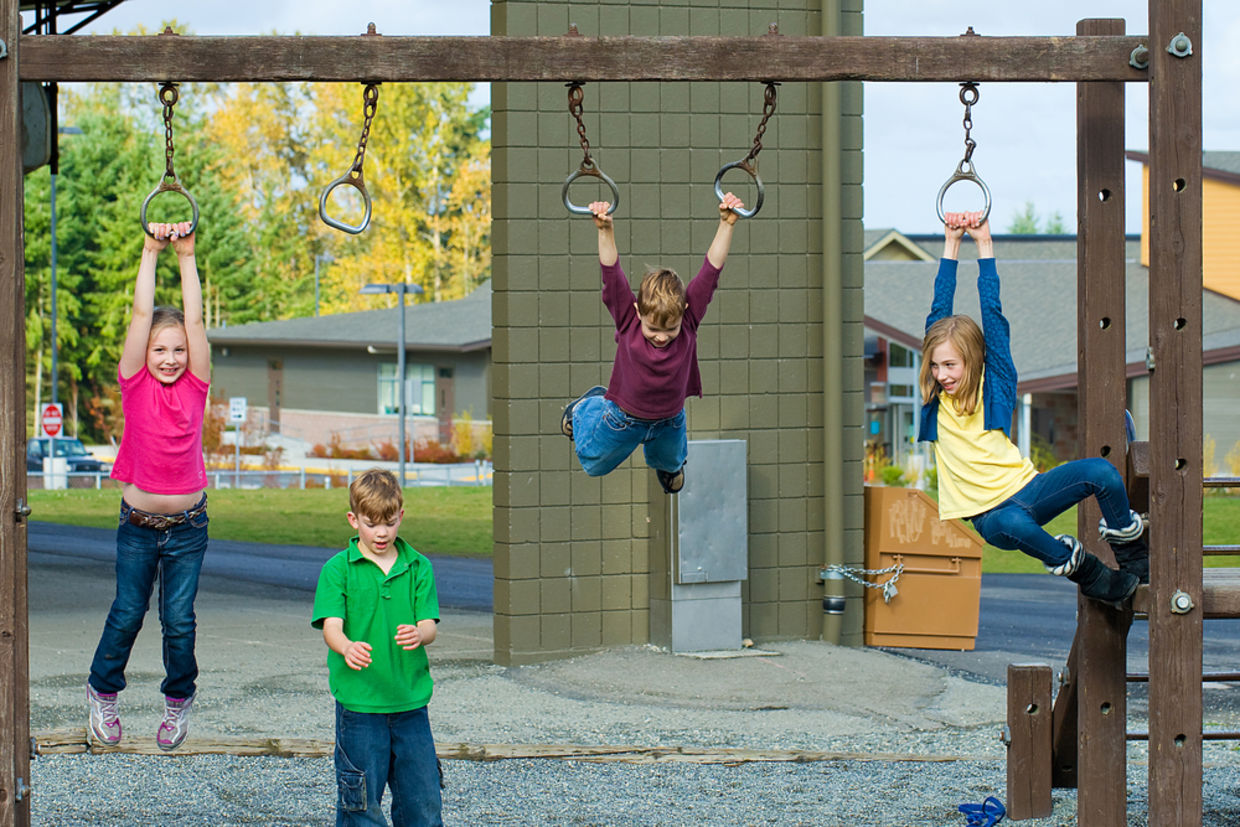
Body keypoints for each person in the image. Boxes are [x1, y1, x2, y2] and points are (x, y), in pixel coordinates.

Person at [918, 211, 1149, 607]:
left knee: (1101, 473)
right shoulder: (933, 402)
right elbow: (939, 310)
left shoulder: (996, 386)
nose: (942, 374)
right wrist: (951, 243)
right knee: (1012, 522)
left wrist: (985, 243)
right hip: (992, 518)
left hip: (1030, 490)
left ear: (972, 360)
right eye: (936, 366)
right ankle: (1092, 575)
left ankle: (1136, 563)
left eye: (950, 365)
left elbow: (993, 315)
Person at [87, 221, 210, 751]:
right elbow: (141, 315)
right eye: (160, 349)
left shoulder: (196, 385)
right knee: (128, 613)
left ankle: (178, 700)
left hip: (188, 527)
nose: (170, 358)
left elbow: (195, 319)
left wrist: (187, 256)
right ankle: (102, 691)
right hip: (137, 527)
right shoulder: (134, 383)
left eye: (178, 350)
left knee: (178, 622)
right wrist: (150, 250)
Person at [561, 192, 745, 494]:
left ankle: (669, 467)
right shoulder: (628, 320)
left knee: (671, 461)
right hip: (623, 418)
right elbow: (612, 274)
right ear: (638, 312)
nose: (661, 336)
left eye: (670, 329)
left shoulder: (688, 321)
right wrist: (605, 229)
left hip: (669, 420)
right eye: (653, 329)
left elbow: (711, 271)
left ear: (684, 313)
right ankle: (586, 408)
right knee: (593, 464)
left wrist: (727, 224)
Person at [313, 468, 443, 827]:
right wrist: (346, 647)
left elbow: (430, 625)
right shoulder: (337, 569)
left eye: (389, 522)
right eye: (371, 524)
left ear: (401, 515)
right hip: (360, 707)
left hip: (410, 703)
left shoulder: (418, 566)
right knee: (361, 806)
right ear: (353, 519)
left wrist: (419, 633)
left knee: (423, 803)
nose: (382, 532)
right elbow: (331, 628)